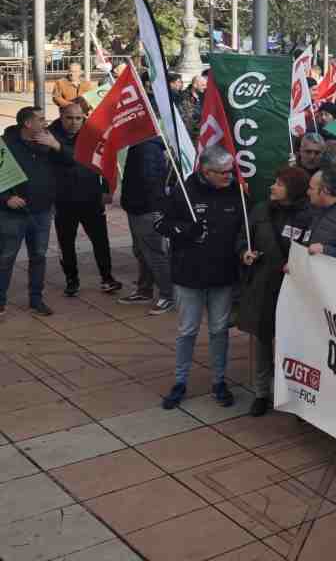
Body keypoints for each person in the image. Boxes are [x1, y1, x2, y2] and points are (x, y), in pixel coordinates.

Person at [156, 146, 245, 410]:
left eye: (232, 171)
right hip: (188, 274)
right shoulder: (184, 190)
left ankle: (219, 381)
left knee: (219, 330)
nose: (230, 177)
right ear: (206, 172)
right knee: (187, 331)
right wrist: (186, 230)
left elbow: (246, 228)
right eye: (224, 173)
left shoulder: (237, 192)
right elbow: (160, 222)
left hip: (223, 274)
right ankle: (180, 382)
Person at [239, 167, 313, 417]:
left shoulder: (308, 216)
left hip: (292, 288)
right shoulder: (260, 210)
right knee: (262, 339)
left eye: (279, 184)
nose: (272, 187)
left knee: (291, 341)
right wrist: (244, 253)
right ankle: (261, 393)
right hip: (263, 285)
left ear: (292, 189)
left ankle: (290, 392)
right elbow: (243, 238)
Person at [0, 107, 71, 317]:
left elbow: (72, 161)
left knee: (39, 256)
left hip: (41, 212)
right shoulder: (6, 144)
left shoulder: (48, 141)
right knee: (6, 257)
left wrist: (56, 145)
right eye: (40, 119)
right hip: (12, 213)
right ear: (27, 124)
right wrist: (5, 198)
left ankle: (36, 299)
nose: (45, 123)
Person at [49, 103, 121, 296]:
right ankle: (72, 280)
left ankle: (107, 277)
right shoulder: (49, 135)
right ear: (61, 115)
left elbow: (105, 160)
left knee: (100, 240)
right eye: (69, 118)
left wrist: (106, 189)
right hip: (63, 199)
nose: (74, 123)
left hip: (90, 196)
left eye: (78, 118)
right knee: (66, 243)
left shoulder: (92, 133)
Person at [119, 137, 175, 314]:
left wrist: (153, 208)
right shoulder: (140, 145)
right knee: (142, 251)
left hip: (145, 209)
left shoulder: (146, 148)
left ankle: (168, 295)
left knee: (153, 253)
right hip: (138, 207)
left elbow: (151, 181)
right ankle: (145, 290)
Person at [178, 72, 207, 141]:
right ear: (195, 85)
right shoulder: (184, 97)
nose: (205, 87)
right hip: (191, 136)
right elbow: (188, 120)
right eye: (203, 85)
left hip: (201, 133)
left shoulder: (203, 95)